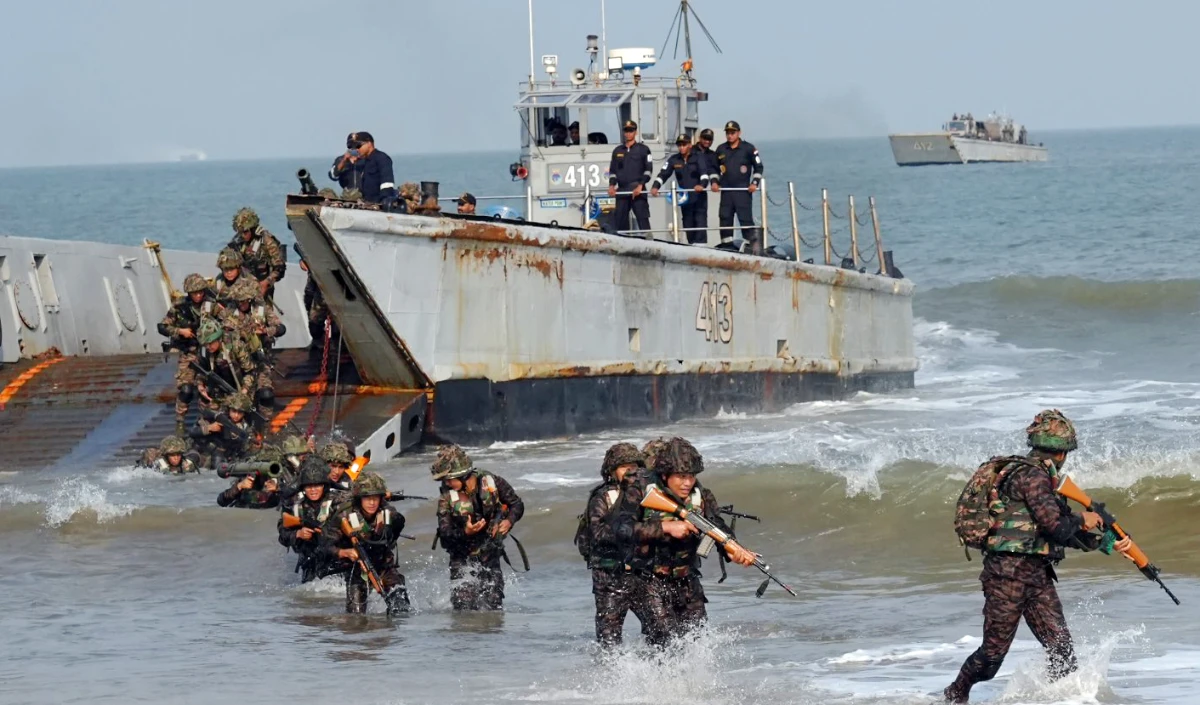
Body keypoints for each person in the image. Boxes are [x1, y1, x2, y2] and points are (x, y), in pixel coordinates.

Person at [943, 410, 1137, 704]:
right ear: (1061, 453)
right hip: (1007, 576)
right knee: (991, 658)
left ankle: (1060, 700)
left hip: (1036, 575)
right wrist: (1084, 519)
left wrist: (1104, 542)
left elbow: (1058, 531)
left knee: (1062, 651)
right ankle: (955, 695)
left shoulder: (1044, 478)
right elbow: (1057, 527)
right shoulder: (1032, 477)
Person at [622, 437, 755, 646]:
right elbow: (619, 529)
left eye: (692, 476)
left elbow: (717, 526)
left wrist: (733, 550)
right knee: (665, 640)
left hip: (686, 578)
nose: (687, 483)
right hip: (647, 579)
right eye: (682, 476)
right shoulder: (639, 490)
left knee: (698, 639)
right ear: (665, 475)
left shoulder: (700, 495)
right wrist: (665, 527)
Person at [431, 445, 525, 611]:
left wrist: (509, 521)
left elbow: (516, 504)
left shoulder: (492, 482)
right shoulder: (447, 498)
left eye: (450, 479)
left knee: (494, 603)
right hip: (461, 556)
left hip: (490, 552)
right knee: (464, 605)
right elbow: (445, 533)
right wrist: (466, 532)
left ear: (463, 475)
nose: (447, 483)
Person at [580, 442, 651, 646]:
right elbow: (597, 533)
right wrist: (633, 530)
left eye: (634, 466)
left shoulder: (647, 494)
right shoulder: (603, 497)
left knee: (658, 628)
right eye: (624, 467)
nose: (630, 471)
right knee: (609, 638)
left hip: (641, 572)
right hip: (609, 574)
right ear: (612, 471)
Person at [322, 471, 410, 615]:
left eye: (376, 498)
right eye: (367, 498)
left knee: (401, 606)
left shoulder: (388, 513)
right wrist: (344, 552)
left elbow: (396, 530)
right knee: (355, 618)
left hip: (383, 566)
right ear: (359, 498)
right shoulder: (344, 515)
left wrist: (386, 528)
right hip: (356, 569)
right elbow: (325, 545)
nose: (372, 503)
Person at [158, 273, 223, 436]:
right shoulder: (180, 306)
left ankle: (205, 421)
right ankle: (180, 421)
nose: (198, 295)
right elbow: (163, 327)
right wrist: (180, 331)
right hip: (189, 352)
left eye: (201, 292)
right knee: (186, 389)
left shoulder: (211, 305)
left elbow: (227, 322)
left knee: (210, 387)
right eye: (195, 293)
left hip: (209, 351)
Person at [279, 456, 339, 583]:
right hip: (310, 563)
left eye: (317, 485)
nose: (313, 490)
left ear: (324, 486)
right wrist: (298, 534)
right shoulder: (296, 507)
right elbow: (282, 536)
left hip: (337, 560)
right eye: (309, 486)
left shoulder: (337, 502)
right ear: (303, 488)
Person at [712, 120, 764, 253]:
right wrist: (714, 182)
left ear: (739, 133)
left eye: (733, 133)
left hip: (742, 191)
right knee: (725, 218)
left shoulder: (748, 148)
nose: (730, 135)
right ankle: (727, 247)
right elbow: (714, 169)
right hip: (726, 192)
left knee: (745, 220)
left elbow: (759, 167)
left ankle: (751, 248)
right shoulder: (721, 149)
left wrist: (754, 183)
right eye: (728, 133)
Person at [651, 135, 711, 245]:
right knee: (688, 224)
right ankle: (691, 246)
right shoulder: (674, 159)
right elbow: (663, 174)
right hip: (685, 199)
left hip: (699, 197)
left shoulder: (699, 157)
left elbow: (704, 174)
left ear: (690, 145)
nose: (681, 147)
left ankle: (702, 247)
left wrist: (702, 185)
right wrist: (655, 186)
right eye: (679, 145)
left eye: (684, 145)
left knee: (700, 222)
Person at [192, 318, 259, 414]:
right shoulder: (204, 350)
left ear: (218, 338)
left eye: (210, 343)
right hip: (219, 388)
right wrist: (200, 384)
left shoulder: (235, 345)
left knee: (239, 413)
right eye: (205, 344)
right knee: (208, 412)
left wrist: (244, 391)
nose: (208, 347)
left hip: (240, 386)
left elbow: (250, 371)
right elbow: (201, 369)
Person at [227, 208, 286, 302]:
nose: (242, 235)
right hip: (243, 286)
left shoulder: (266, 240)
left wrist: (266, 282)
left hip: (263, 284)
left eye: (245, 232)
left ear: (253, 229)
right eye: (240, 232)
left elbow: (279, 268)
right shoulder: (237, 241)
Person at [606, 120, 653, 236]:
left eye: (631, 131)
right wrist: (611, 185)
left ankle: (649, 242)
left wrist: (641, 185)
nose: (628, 133)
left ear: (635, 132)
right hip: (622, 190)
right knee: (620, 222)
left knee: (643, 220)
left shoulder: (644, 149)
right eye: (626, 131)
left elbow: (648, 170)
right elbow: (613, 172)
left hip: (638, 190)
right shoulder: (617, 151)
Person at [328, 131, 396, 206]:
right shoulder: (342, 160)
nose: (355, 149)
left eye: (357, 146)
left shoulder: (371, 159)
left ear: (368, 144)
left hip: (369, 200)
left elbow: (386, 181)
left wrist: (384, 200)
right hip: (348, 197)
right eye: (350, 146)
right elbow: (333, 176)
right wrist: (344, 160)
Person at [191, 391, 256, 467]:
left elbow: (245, 448)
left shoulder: (245, 427)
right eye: (234, 411)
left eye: (240, 413)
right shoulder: (218, 417)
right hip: (204, 453)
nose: (236, 415)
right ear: (229, 409)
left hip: (225, 459)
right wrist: (209, 428)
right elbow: (192, 432)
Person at [693, 128, 719, 242]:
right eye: (705, 138)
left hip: (702, 193)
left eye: (710, 139)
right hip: (689, 191)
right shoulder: (691, 151)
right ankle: (690, 246)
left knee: (701, 220)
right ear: (700, 138)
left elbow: (713, 171)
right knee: (688, 221)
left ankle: (701, 245)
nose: (707, 141)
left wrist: (714, 182)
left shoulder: (712, 155)